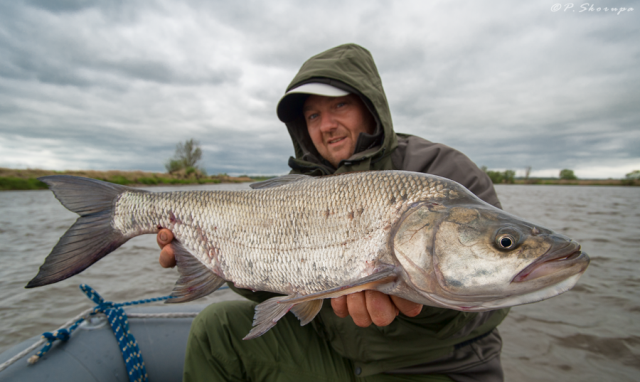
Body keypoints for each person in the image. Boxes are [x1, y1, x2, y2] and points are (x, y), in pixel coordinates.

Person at [157, 44, 508, 381]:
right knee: (216, 327)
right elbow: (275, 289)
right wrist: (214, 257)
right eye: (313, 115)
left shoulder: (443, 171)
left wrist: (421, 304)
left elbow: (497, 299)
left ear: (370, 108)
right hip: (336, 357)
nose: (326, 125)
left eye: (339, 106)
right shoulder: (296, 188)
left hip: (431, 369)